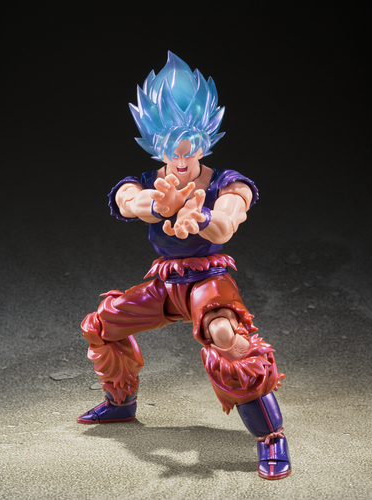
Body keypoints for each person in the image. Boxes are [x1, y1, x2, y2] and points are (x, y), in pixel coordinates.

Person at [77, 52, 291, 480]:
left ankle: (271, 437)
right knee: (102, 324)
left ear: (204, 139)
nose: (179, 159)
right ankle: (121, 403)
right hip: (166, 283)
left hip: (208, 282)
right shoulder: (147, 182)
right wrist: (159, 205)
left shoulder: (227, 181)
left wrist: (202, 216)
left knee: (226, 336)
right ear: (153, 143)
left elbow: (228, 222)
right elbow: (129, 202)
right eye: (170, 149)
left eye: (188, 148)